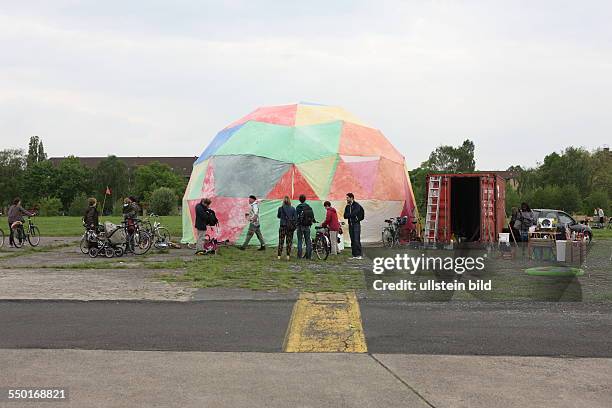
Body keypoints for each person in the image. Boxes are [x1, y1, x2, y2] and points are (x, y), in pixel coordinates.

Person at [343, 192, 364, 259]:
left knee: (356, 239)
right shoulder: (347, 206)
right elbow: (345, 216)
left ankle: (359, 255)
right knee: (352, 240)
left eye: (347, 198)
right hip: (350, 225)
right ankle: (354, 255)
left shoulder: (356, 205)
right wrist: (350, 215)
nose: (346, 199)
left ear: (351, 198)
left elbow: (355, 213)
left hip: (356, 224)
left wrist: (350, 215)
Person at [276, 196, 297, 260]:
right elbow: (295, 218)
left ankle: (279, 256)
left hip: (282, 226)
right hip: (290, 227)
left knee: (281, 241)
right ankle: (288, 256)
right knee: (289, 242)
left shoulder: (280, 208)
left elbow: (278, 216)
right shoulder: (293, 209)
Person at [296, 194, 315, 259]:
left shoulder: (298, 207)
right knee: (308, 241)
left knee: (300, 241)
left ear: (299, 200)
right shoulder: (309, 207)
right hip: (307, 226)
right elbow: (312, 216)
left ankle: (299, 256)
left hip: (300, 226)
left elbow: (296, 217)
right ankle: (308, 256)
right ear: (305, 199)